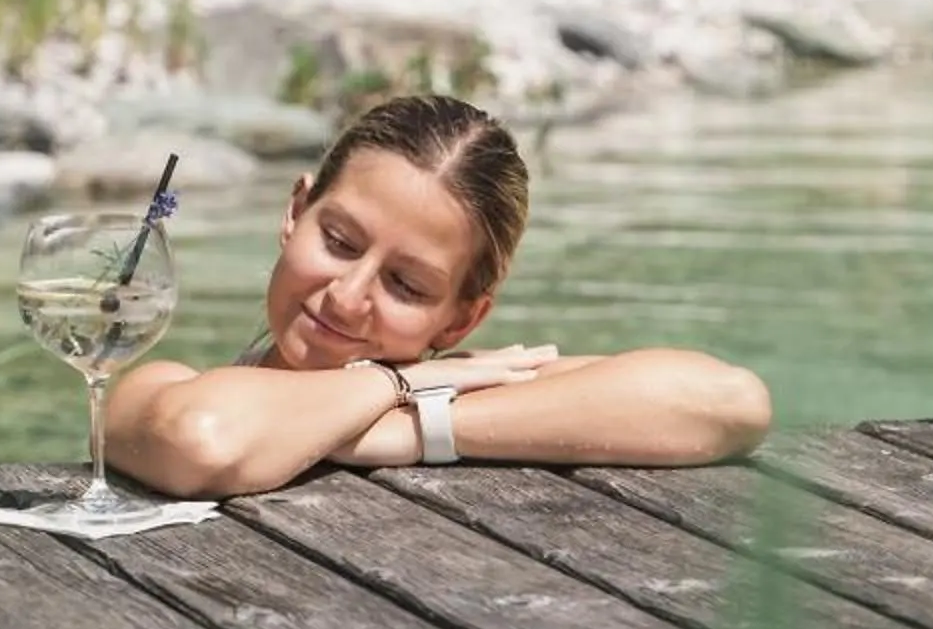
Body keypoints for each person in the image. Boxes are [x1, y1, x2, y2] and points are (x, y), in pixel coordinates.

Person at [107, 90, 772, 500]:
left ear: (463, 318)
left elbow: (727, 402)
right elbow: (199, 439)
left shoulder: (467, 391)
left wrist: (423, 427)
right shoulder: (175, 386)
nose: (348, 295)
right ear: (295, 212)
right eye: (338, 240)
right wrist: (393, 390)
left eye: (405, 283)